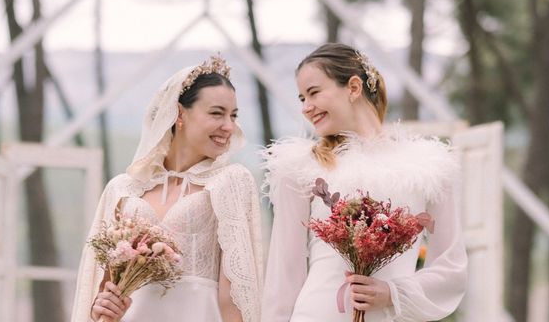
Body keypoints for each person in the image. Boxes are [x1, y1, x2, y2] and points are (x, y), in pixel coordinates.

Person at [261, 43, 467, 322]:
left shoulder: (429, 168)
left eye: (313, 93)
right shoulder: (300, 168)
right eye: (301, 99)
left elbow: (451, 268)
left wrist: (393, 293)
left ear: (354, 88)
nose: (306, 108)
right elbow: (284, 273)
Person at [71, 55, 263, 322]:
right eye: (217, 113)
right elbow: (103, 287)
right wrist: (100, 307)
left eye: (233, 115)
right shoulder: (123, 189)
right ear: (180, 113)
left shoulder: (230, 181)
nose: (229, 126)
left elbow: (236, 293)